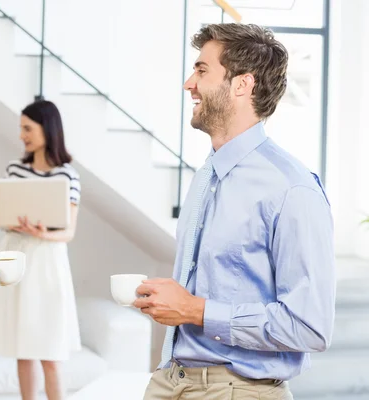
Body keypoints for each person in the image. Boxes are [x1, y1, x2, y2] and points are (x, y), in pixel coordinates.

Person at [134, 23, 335, 399]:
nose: (188, 83)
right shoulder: (206, 176)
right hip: (171, 381)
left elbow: (311, 326)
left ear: (242, 85)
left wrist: (195, 310)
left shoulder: (292, 189)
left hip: (238, 390)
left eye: (202, 70)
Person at [0, 100, 81, 400]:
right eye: (21, 128)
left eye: (27, 128)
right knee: (24, 349)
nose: (22, 135)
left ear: (48, 129)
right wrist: (18, 224)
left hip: (47, 262)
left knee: (50, 350)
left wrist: (44, 232)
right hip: (17, 255)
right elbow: (4, 218)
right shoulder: (16, 169)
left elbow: (68, 232)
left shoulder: (67, 175)